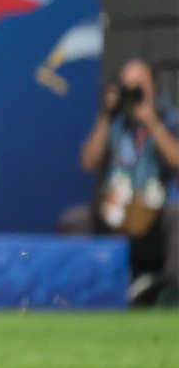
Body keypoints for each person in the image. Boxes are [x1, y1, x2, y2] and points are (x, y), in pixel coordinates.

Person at [65, 58, 179, 304]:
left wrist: (152, 123)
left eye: (139, 87)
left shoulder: (167, 118)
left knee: (177, 215)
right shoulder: (113, 121)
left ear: (153, 88)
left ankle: (170, 292)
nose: (133, 93)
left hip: (154, 213)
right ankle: (79, 296)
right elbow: (87, 162)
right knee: (73, 221)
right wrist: (105, 116)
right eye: (127, 87)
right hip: (112, 210)